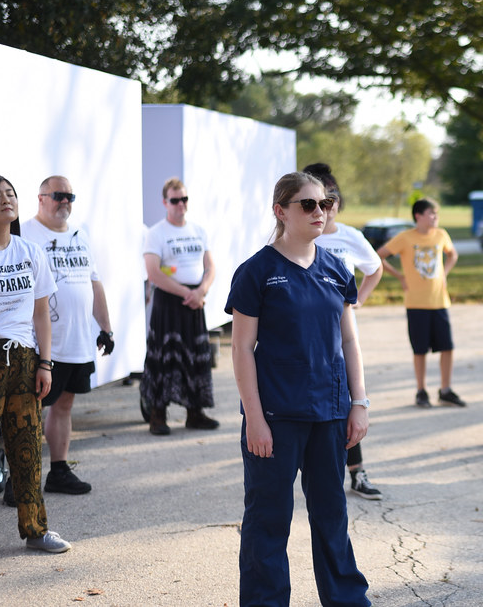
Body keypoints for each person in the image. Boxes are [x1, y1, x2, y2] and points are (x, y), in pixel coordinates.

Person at [226, 172, 371, 606]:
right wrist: (254, 418)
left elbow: (349, 341)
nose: (319, 212)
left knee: (332, 517)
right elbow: (241, 348)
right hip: (275, 418)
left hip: (329, 414)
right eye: (307, 205)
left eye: (324, 204)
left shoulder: (335, 269)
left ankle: (347, 599)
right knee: (268, 521)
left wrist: (358, 402)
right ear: (280, 211)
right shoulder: (257, 271)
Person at [0, 174, 71, 553]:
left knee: (28, 446)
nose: (7, 199)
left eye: (11, 193)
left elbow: (41, 316)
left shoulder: (30, 251)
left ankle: (36, 529)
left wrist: (45, 364)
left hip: (24, 359)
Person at [19, 175, 113, 497]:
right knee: (30, 410)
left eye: (70, 197)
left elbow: (94, 283)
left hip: (77, 341)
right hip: (42, 343)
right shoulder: (25, 233)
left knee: (64, 406)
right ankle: (21, 479)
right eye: (58, 195)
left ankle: (58, 471)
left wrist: (106, 327)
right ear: (41, 198)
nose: (65, 202)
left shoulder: (80, 235)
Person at [302, 162, 384, 501]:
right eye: (316, 200)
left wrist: (359, 299)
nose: (325, 206)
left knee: (349, 399)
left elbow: (374, 268)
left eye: (331, 198)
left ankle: (356, 471)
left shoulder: (350, 237)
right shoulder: (300, 235)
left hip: (339, 336)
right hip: (303, 336)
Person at [142, 177, 218, 435]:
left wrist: (201, 291)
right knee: (164, 358)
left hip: (195, 302)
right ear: (165, 202)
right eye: (175, 200)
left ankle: (195, 413)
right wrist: (188, 292)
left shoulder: (198, 230)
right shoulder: (156, 233)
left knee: (196, 357)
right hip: (169, 302)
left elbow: (210, 266)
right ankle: (157, 415)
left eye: (184, 199)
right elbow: (153, 273)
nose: (180, 205)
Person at [377, 197, 465, 408]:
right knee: (420, 350)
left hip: (440, 302)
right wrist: (399, 276)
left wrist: (445, 273)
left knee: (447, 347)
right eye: (431, 213)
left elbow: (452, 254)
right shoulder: (405, 238)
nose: (435, 217)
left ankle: (445, 390)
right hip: (416, 303)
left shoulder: (441, 234)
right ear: (419, 216)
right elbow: (379, 256)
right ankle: (421, 390)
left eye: (437, 214)